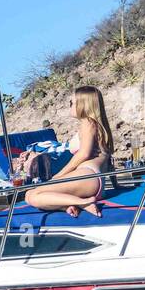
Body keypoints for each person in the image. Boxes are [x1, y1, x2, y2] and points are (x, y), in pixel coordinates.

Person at [23, 85, 115, 217]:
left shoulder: (88, 123)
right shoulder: (97, 126)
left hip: (88, 176)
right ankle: (68, 205)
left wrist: (59, 176)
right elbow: (108, 161)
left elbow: (84, 154)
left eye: (72, 103)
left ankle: (82, 203)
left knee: (32, 196)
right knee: (30, 195)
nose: (70, 105)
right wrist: (115, 185)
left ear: (82, 105)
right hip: (94, 181)